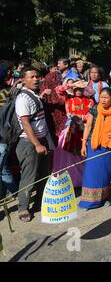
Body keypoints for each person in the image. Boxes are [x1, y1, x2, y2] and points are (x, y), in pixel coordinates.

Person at [15, 67, 54, 222]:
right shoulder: (23, 98)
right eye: (32, 77)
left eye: (37, 76)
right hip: (29, 143)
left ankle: (39, 203)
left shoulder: (34, 94)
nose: (36, 79)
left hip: (42, 140)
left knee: (44, 174)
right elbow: (25, 123)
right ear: (24, 80)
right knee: (29, 178)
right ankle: (23, 209)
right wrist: (37, 144)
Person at [79, 88, 111, 209]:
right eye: (101, 97)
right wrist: (83, 143)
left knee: (104, 173)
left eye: (106, 97)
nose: (103, 100)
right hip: (94, 145)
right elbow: (88, 126)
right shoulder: (94, 108)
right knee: (91, 173)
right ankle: (89, 201)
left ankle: (104, 198)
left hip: (107, 146)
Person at [53, 80, 95, 187]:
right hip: (70, 129)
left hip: (84, 129)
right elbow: (58, 89)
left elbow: (91, 115)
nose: (78, 91)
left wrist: (80, 117)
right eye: (76, 89)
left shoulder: (89, 101)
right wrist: (71, 84)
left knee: (82, 155)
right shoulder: (69, 99)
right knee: (67, 156)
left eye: (81, 89)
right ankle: (69, 180)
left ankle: (82, 180)